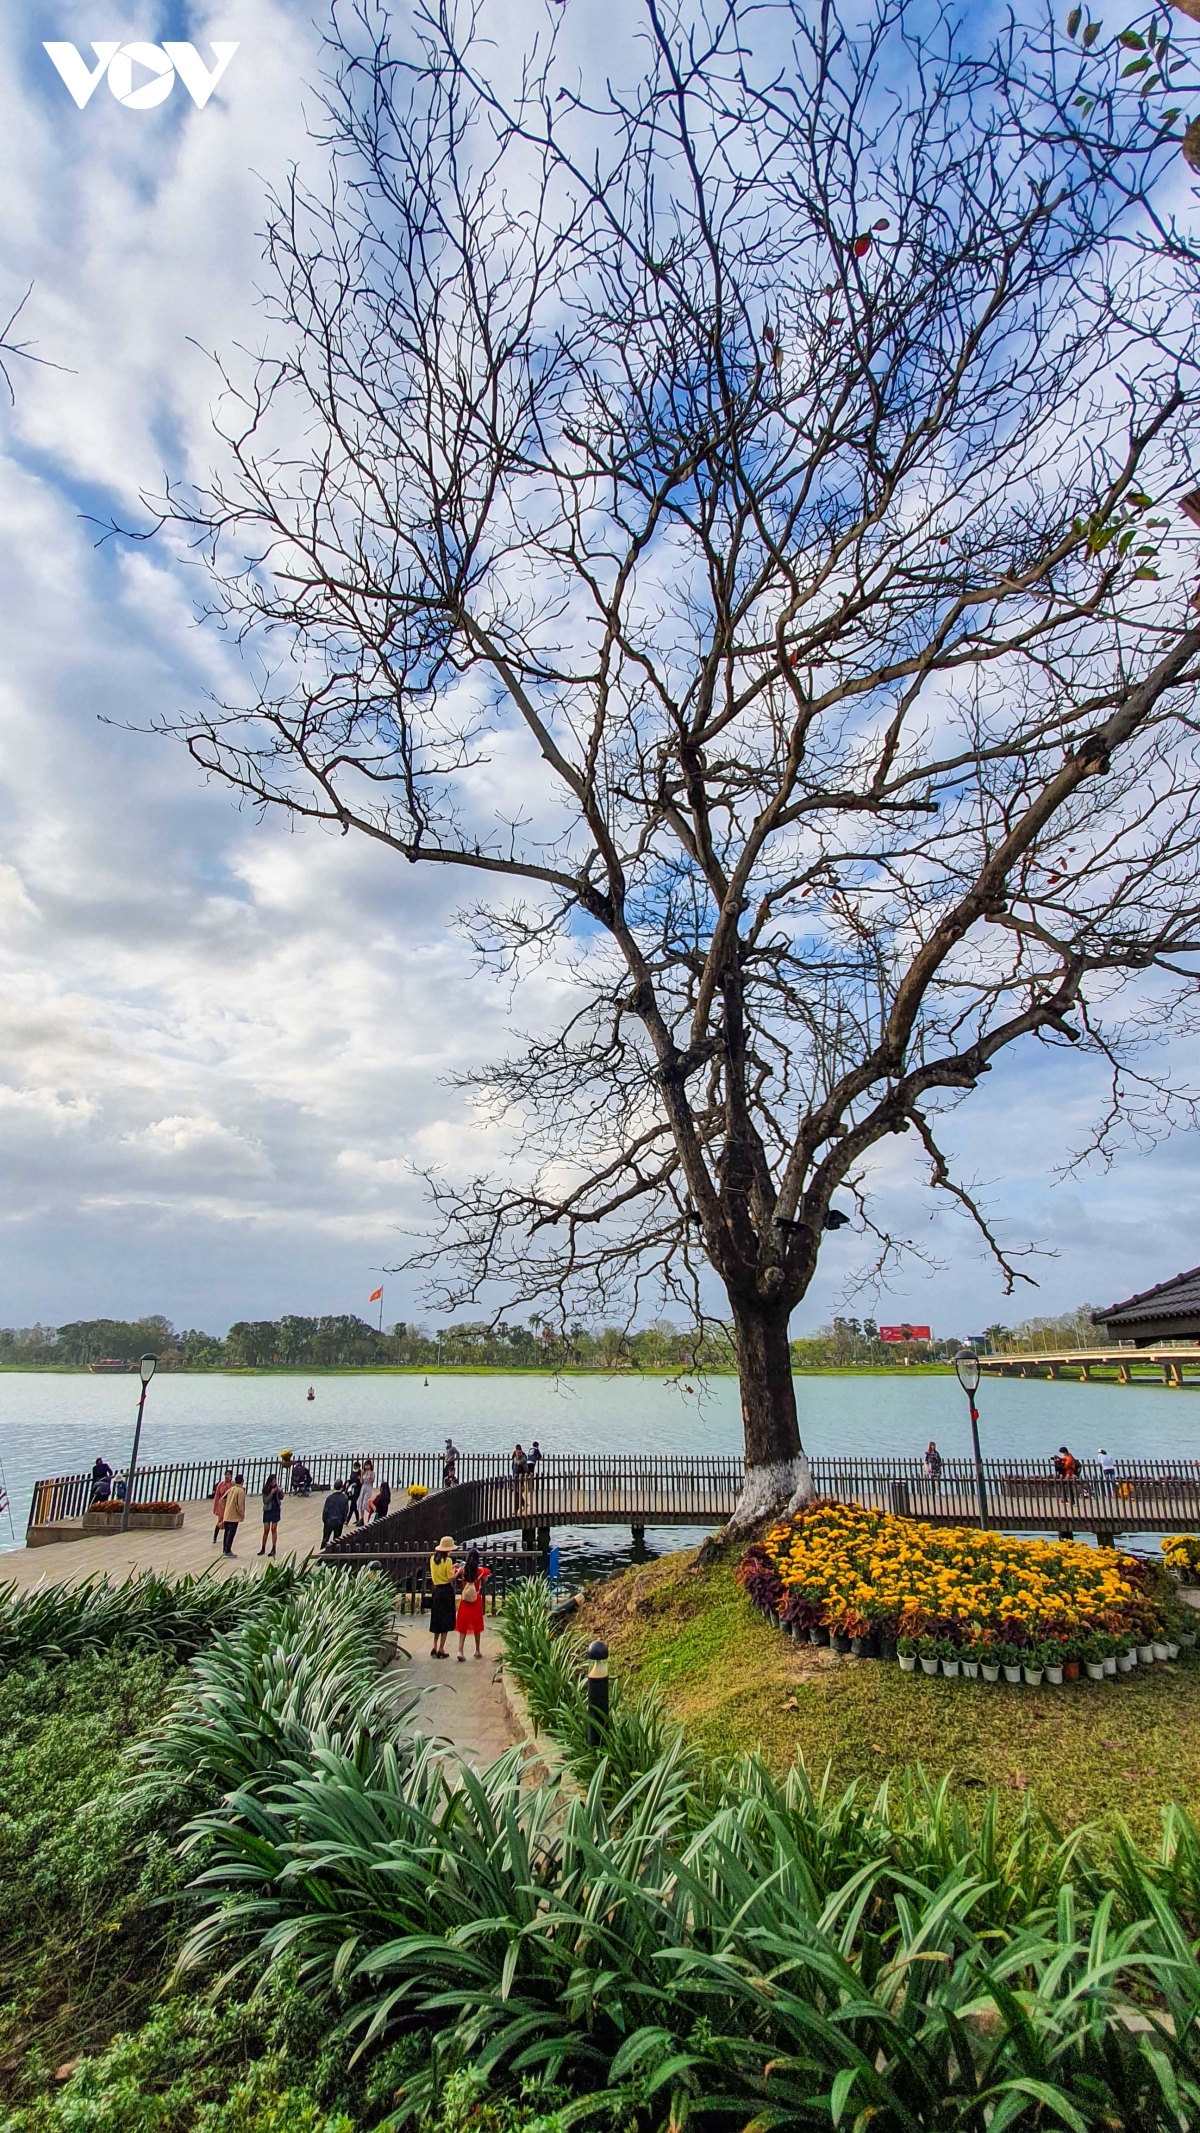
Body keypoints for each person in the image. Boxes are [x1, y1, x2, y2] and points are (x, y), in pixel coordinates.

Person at [455, 1548, 491, 1661]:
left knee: (463, 1625)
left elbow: (455, 1573)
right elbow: (486, 1576)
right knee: (477, 1625)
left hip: (465, 1600)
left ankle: (460, 1650)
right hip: (476, 1599)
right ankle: (477, 1650)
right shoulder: (480, 1571)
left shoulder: (463, 1570)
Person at [428, 1536, 458, 1658]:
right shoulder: (448, 1561)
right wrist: (458, 1572)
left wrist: (452, 1569)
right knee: (446, 1619)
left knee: (436, 1619)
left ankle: (434, 1645)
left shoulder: (432, 1559)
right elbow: (449, 1578)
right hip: (446, 1590)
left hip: (435, 1590)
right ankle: (441, 1648)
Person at [222, 1473, 247, 1557]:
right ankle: (228, 1551)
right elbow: (240, 1505)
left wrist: (226, 1507)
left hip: (227, 1514)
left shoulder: (231, 1489)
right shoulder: (241, 1491)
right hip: (234, 1516)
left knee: (226, 1533)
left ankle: (225, 1550)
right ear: (242, 1482)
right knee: (231, 1533)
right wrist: (242, 1514)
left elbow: (222, 1499)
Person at [321, 1479, 350, 1550]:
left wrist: (325, 1520)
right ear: (342, 1487)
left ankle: (321, 1555)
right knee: (336, 1540)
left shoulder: (329, 1498)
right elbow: (345, 1510)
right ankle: (334, 1554)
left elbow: (325, 1511)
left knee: (325, 1539)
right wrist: (343, 1520)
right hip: (338, 1521)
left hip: (329, 1521)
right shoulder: (344, 1497)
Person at [259, 1473, 283, 1557]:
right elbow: (265, 1501)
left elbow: (281, 1497)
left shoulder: (277, 1488)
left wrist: (280, 1491)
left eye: (275, 1481)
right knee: (266, 1529)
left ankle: (274, 1548)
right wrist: (271, 1493)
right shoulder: (265, 1489)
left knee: (274, 1529)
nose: (274, 1483)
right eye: (272, 1481)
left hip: (276, 1509)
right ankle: (263, 1547)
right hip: (268, 1510)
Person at [212, 1468, 234, 1544]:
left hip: (229, 1505)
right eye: (226, 1474)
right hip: (221, 1506)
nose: (227, 1476)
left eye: (228, 1474)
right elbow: (217, 1496)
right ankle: (215, 1537)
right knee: (220, 1521)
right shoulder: (220, 1484)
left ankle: (227, 1538)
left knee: (229, 1522)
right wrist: (215, 1507)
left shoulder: (233, 1485)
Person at [357, 1459, 376, 1525]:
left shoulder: (372, 1473)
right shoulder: (363, 1472)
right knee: (360, 1502)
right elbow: (361, 1482)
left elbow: (372, 1481)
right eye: (365, 1465)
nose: (366, 1467)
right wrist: (362, 1475)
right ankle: (361, 1518)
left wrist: (370, 1475)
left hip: (368, 1487)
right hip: (363, 1487)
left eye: (368, 1465)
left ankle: (372, 1513)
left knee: (365, 1503)